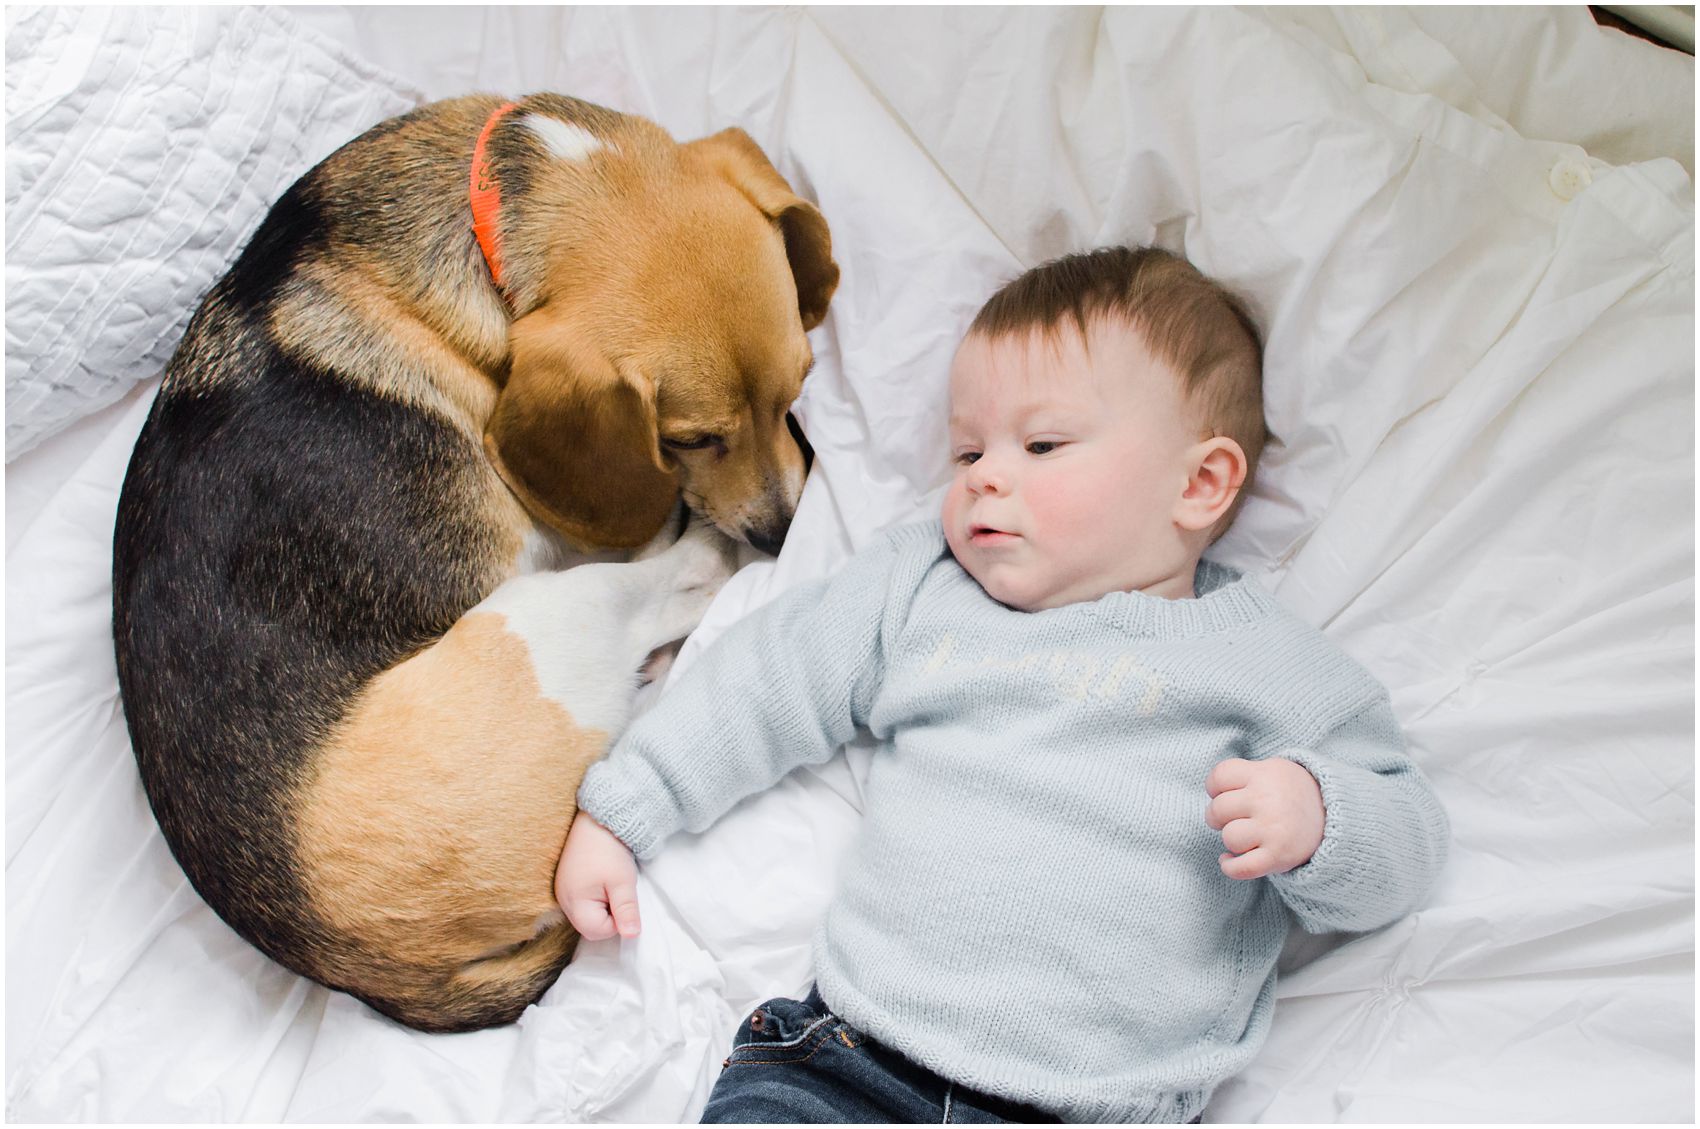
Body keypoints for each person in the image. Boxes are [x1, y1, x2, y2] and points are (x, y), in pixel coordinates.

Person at [555, 246, 1450, 1124]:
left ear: (1201, 482)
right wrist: (623, 809)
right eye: (966, 450)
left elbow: (1409, 841)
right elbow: (768, 676)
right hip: (850, 1061)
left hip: (1095, 1105)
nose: (984, 473)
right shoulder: (923, 587)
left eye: (1043, 442)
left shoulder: (1264, 663)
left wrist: (1320, 819)